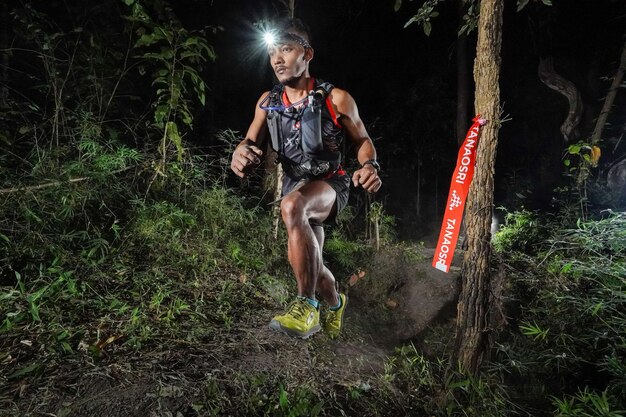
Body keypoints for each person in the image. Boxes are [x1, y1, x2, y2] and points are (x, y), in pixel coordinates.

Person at [230, 18, 381, 339]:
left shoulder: (335, 98)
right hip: (294, 185)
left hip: (331, 183)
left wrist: (370, 167)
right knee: (309, 264)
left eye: (286, 49)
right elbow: (249, 141)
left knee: (292, 206)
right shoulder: (267, 102)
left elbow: (363, 141)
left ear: (307, 54)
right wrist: (240, 154)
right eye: (272, 52)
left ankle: (307, 306)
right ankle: (335, 301)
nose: (277, 59)